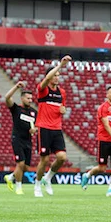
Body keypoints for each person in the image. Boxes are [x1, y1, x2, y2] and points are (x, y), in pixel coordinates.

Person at [34, 55, 71, 198]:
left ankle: (47, 178)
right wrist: (60, 65)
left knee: (62, 157)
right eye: (54, 75)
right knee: (44, 159)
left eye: (58, 75)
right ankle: (37, 185)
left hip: (57, 128)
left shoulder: (62, 93)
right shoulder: (42, 89)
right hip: (44, 127)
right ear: (49, 77)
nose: (57, 77)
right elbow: (45, 81)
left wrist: (63, 110)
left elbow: (61, 108)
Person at [81, 86, 111, 197]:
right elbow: (106, 125)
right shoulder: (103, 108)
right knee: (102, 168)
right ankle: (88, 175)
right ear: (107, 95)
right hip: (104, 140)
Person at [3, 81, 36, 195]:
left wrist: (35, 129)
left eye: (31, 98)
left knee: (26, 168)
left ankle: (10, 176)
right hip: (17, 139)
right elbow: (7, 98)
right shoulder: (16, 109)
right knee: (20, 164)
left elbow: (37, 125)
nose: (30, 100)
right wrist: (16, 87)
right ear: (22, 98)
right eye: (28, 98)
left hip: (28, 140)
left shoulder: (33, 112)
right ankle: (19, 187)